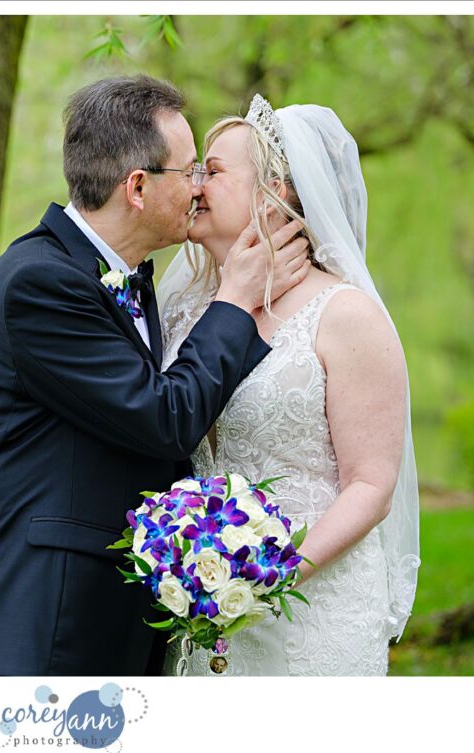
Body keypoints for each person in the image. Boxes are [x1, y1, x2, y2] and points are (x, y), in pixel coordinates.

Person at [0, 76, 310, 676]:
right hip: (36, 624)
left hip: (106, 622)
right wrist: (236, 298)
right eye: (189, 170)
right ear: (137, 187)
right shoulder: (37, 283)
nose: (199, 187)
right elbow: (164, 419)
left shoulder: (127, 279)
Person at [158, 95, 421, 676]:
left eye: (213, 171)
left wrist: (269, 577)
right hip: (202, 610)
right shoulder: (180, 313)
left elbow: (371, 485)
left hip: (314, 612)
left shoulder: (344, 315)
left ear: (273, 192)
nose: (194, 185)